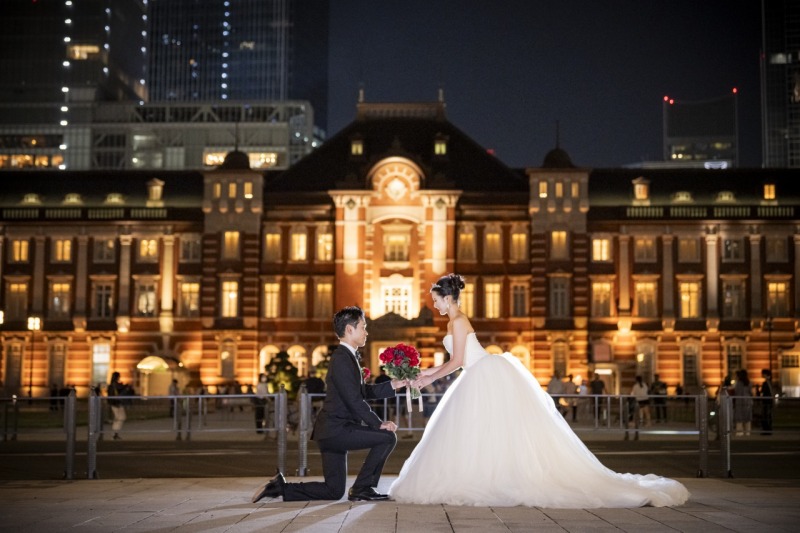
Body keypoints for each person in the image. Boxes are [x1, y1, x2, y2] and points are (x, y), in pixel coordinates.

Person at [389, 273, 688, 508]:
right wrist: (418, 374)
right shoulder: (455, 321)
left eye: (436, 300)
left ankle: (491, 478)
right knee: (483, 432)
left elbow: (455, 361)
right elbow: (455, 361)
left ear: (448, 297)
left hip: (482, 374)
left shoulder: (457, 320)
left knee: (480, 431)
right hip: (478, 372)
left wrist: (428, 380)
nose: (435, 305)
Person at [251, 306, 407, 503]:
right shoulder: (342, 358)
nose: (366, 332)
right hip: (336, 429)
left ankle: (280, 487)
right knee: (387, 437)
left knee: (333, 490)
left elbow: (362, 392)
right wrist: (377, 423)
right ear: (350, 329)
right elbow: (354, 399)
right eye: (363, 327)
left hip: (331, 430)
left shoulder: (347, 357)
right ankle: (362, 488)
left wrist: (393, 385)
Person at [107, 371, 130, 440]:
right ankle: (114, 433)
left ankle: (115, 433)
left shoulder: (112, 385)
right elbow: (120, 389)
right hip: (117, 403)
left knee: (119, 418)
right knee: (120, 418)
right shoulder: (115, 385)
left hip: (116, 403)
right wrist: (125, 386)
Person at [733, 369, 753, 437]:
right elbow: (750, 392)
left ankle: (739, 432)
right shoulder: (749, 382)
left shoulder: (738, 383)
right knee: (747, 417)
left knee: (739, 417)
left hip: (739, 400)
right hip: (747, 401)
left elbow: (736, 391)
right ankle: (747, 432)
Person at [760, 369, 774, 435]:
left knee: (766, 416)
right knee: (768, 416)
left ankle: (766, 430)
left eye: (763, 373)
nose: (762, 375)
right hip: (768, 401)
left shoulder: (766, 383)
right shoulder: (769, 382)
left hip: (766, 402)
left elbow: (763, 392)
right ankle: (768, 430)